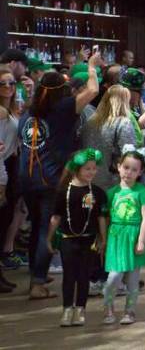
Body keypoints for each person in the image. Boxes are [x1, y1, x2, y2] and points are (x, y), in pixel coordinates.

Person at [19, 54, 101, 299]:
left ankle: (37, 272)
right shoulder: (63, 108)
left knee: (36, 228)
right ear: (62, 90)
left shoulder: (29, 113)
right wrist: (92, 66)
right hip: (52, 179)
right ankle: (38, 282)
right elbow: (94, 89)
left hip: (27, 179)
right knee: (48, 229)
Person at [46, 148, 108, 327]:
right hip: (67, 239)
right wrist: (49, 238)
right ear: (76, 169)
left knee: (83, 275)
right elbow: (56, 217)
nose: (92, 172)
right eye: (87, 168)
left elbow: (101, 217)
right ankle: (67, 309)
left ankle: (80, 309)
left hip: (88, 240)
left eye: (94, 168)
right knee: (69, 275)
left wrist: (102, 238)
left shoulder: (97, 192)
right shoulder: (63, 192)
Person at [102, 147, 145, 325]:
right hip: (116, 239)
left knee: (132, 280)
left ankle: (129, 311)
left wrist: (141, 241)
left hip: (133, 237)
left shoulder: (142, 192)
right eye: (126, 167)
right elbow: (105, 218)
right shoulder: (111, 193)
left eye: (134, 169)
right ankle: (108, 310)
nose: (129, 172)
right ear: (118, 167)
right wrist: (103, 239)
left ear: (140, 172)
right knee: (113, 277)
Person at [79, 85, 138, 191]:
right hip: (113, 185)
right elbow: (130, 156)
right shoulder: (123, 123)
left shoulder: (90, 123)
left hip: (87, 181)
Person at [0, 68, 22, 289]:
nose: (8, 87)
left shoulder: (11, 109)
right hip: (1, 169)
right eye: (3, 84)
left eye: (11, 83)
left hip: (9, 165)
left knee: (5, 220)